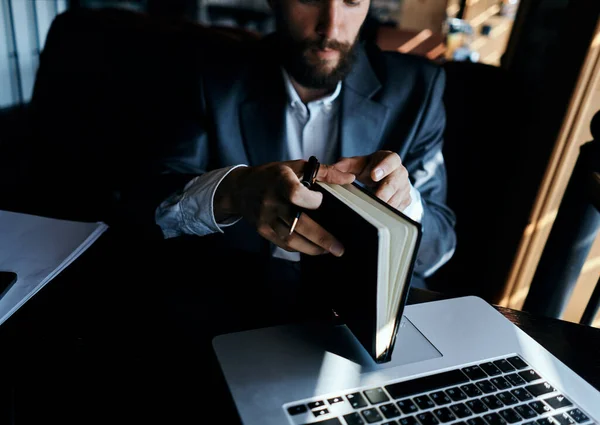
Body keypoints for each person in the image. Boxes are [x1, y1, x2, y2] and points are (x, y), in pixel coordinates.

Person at [150, 0, 456, 321]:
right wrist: (235, 191)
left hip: (368, 326)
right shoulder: (209, 75)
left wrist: (405, 206)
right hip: (237, 312)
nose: (331, 25)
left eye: (352, 1)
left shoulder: (420, 87)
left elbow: (440, 249)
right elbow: (151, 205)